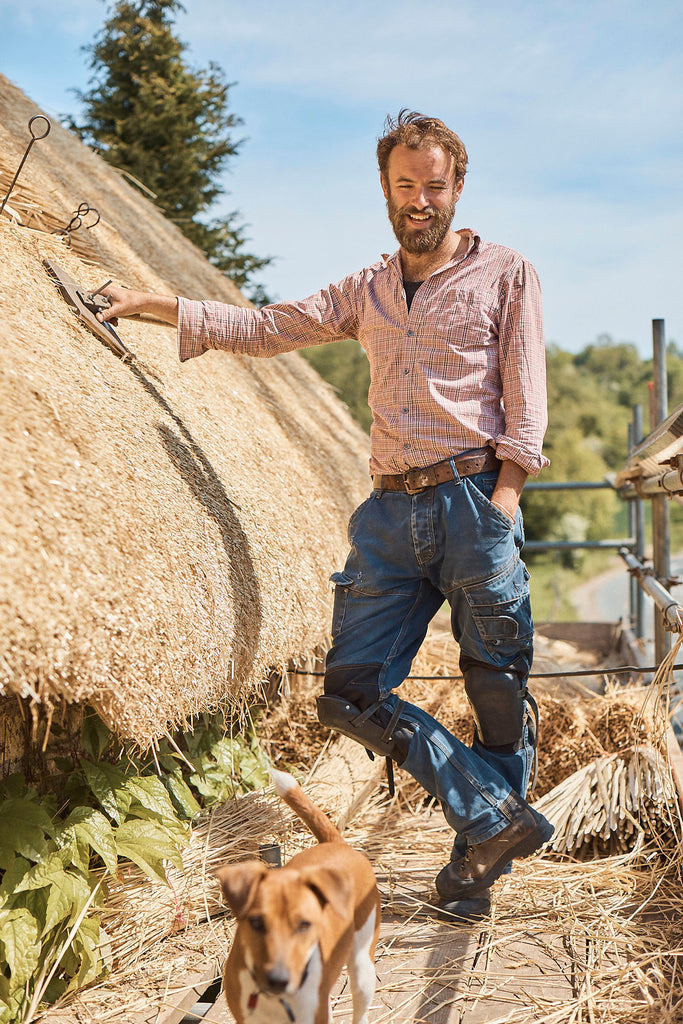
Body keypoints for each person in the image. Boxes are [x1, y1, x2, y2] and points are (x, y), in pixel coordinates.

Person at [99, 110, 553, 920]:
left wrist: (501, 504)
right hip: (386, 514)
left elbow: (525, 405)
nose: (420, 199)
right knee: (348, 694)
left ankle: (473, 871)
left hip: (472, 498)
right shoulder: (368, 289)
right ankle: (493, 817)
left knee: (495, 690)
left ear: (458, 187)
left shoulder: (505, 273)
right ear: (386, 189)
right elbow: (269, 328)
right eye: (405, 184)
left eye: (434, 185)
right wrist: (150, 303)